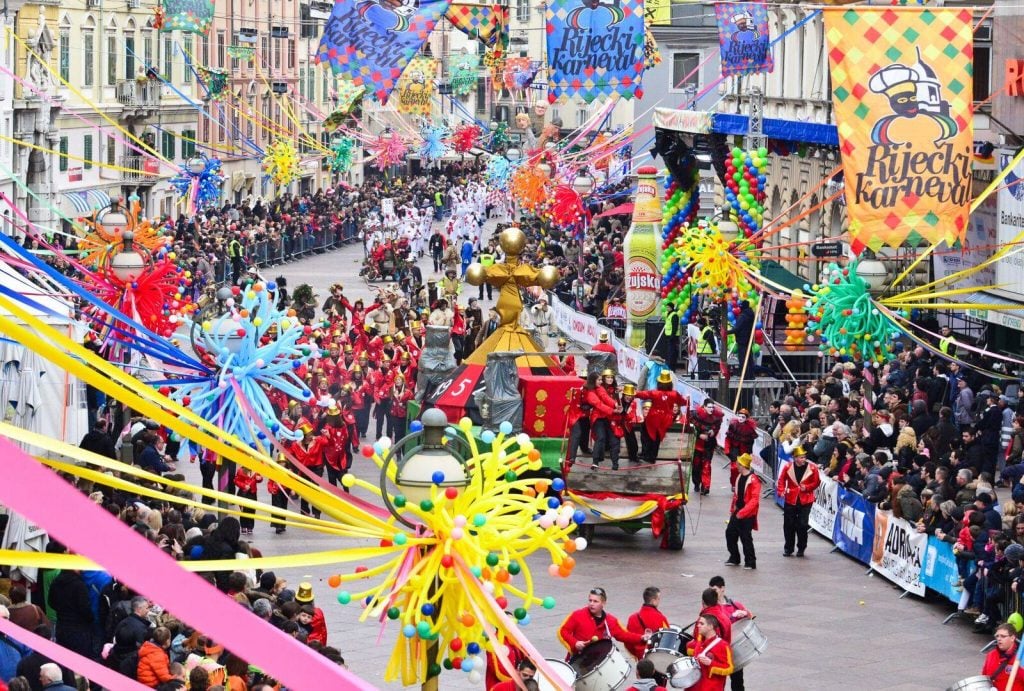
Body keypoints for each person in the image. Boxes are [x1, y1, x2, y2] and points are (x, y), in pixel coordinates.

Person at [557, 587, 647, 659]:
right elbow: (562, 631)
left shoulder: (611, 621)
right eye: (590, 600)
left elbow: (624, 635)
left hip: (598, 662)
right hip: (577, 660)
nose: (591, 604)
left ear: (603, 603)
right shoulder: (577, 615)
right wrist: (575, 643)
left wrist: (641, 638)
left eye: (595, 601)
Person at [708, 576, 753, 691]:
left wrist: (744, 613)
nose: (713, 594)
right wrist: (731, 618)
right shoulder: (711, 608)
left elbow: (750, 618)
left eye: (715, 590)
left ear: (722, 588)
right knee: (717, 683)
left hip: (734, 650)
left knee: (738, 682)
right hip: (719, 650)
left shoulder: (734, 604)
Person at [776, 445, 821, 557]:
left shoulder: (812, 468)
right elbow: (781, 480)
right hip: (791, 499)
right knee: (788, 525)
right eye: (800, 457)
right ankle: (788, 548)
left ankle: (801, 547)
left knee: (802, 525)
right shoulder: (787, 467)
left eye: (804, 457)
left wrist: (807, 487)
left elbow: (816, 482)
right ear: (795, 458)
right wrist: (781, 491)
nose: (803, 460)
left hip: (806, 500)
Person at [634, 372, 688, 464]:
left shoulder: (655, 393)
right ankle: (652, 457)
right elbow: (684, 402)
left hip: (653, 417)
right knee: (657, 438)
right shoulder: (674, 394)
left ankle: (646, 454)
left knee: (646, 435)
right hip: (666, 418)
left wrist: (631, 392)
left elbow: (642, 394)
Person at [725, 453, 761, 570]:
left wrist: (743, 513)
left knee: (746, 537)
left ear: (743, 465)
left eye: (738, 464)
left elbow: (754, 500)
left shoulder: (754, 480)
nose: (736, 465)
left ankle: (750, 561)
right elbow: (737, 496)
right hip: (738, 511)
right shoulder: (739, 477)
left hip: (747, 514)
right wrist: (733, 509)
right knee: (730, 533)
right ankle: (734, 557)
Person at [684, 614, 734, 691]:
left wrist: (711, 663)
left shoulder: (722, 646)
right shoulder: (699, 643)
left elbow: (728, 667)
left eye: (702, 623)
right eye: (698, 623)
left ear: (710, 626)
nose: (698, 626)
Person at [690, 398, 724, 495]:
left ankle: (705, 486)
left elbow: (717, 427)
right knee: (696, 465)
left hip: (709, 445)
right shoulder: (695, 415)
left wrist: (714, 431)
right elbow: (692, 428)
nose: (711, 409)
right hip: (697, 444)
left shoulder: (717, 417)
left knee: (707, 465)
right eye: (709, 407)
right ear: (704, 407)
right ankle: (697, 483)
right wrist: (699, 435)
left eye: (712, 407)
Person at [625, 587, 669, 660]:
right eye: (658, 599)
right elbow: (667, 639)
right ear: (653, 601)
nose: (659, 601)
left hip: (641, 659)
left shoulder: (632, 618)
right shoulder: (661, 618)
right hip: (656, 659)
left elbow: (628, 641)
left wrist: (637, 655)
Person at [982, 623, 1024, 691]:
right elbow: (984, 678)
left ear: (1012, 638)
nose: (999, 639)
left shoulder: (1020, 659)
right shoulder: (990, 655)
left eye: (1003, 636)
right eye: (997, 636)